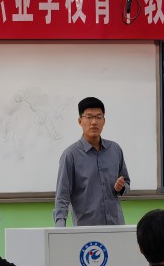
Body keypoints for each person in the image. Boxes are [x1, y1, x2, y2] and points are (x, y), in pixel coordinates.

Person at [53, 96, 130, 226]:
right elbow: (62, 196)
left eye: (98, 117)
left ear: (104, 121)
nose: (94, 122)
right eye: (89, 117)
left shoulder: (115, 150)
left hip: (116, 226)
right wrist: (60, 227)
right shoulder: (70, 155)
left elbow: (126, 183)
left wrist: (122, 187)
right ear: (80, 121)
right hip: (86, 230)